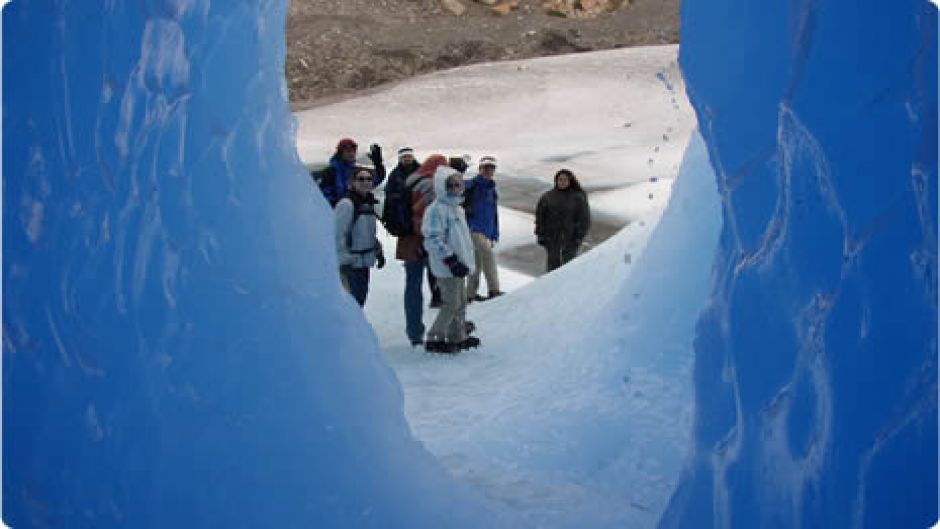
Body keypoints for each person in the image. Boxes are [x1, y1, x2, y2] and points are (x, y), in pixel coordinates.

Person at [422, 166, 480, 353]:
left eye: (459, 184)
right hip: (447, 266)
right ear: (442, 187)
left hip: (459, 265)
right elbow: (432, 238)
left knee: (461, 301)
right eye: (452, 185)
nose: (456, 188)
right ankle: (435, 337)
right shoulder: (436, 210)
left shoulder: (456, 208)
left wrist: (462, 261)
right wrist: (451, 260)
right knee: (451, 303)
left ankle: (457, 336)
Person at [396, 155, 450, 346]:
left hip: (407, 242)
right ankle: (445, 329)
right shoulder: (429, 185)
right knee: (446, 284)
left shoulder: (411, 181)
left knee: (412, 287)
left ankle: (414, 332)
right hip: (422, 243)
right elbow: (424, 216)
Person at [335, 167, 385, 306]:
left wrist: (378, 251)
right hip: (351, 265)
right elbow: (337, 235)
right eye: (361, 179)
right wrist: (345, 260)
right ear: (353, 182)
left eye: (369, 179)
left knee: (359, 302)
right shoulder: (346, 204)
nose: (365, 182)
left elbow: (368, 234)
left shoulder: (368, 204)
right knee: (352, 305)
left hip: (364, 263)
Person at [463, 156, 503, 302]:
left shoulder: (492, 189)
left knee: (477, 261)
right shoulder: (473, 185)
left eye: (491, 168)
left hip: (486, 230)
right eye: (486, 168)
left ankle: (469, 294)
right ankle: (494, 289)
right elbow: (459, 188)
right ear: (480, 169)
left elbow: (493, 213)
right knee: (488, 256)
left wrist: (494, 233)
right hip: (473, 228)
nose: (488, 171)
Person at [535, 169, 591, 272]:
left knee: (568, 268)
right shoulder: (548, 197)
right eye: (560, 180)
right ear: (556, 181)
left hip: (571, 239)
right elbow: (540, 217)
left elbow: (584, 219)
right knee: (552, 268)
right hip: (552, 239)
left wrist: (578, 237)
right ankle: (551, 287)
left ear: (570, 181)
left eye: (565, 180)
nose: (562, 182)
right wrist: (540, 234)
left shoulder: (578, 197)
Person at [313, 138, 386, 207]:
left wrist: (378, 163)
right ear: (340, 153)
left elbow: (375, 180)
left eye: (354, 151)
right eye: (348, 151)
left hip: (356, 211)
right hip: (338, 212)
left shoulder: (356, 171)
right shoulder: (330, 172)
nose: (351, 154)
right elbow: (324, 196)